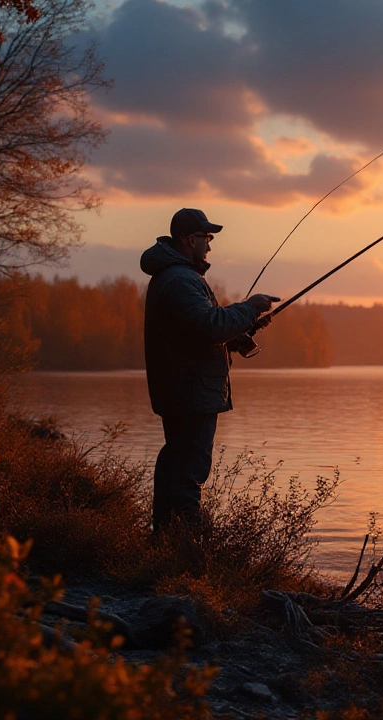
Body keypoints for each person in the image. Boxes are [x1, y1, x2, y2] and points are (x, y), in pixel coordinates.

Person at [141, 208, 278, 532]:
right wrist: (250, 307)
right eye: (207, 238)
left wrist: (237, 335)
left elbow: (194, 335)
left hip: (183, 387)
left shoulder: (177, 277)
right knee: (189, 471)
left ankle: (165, 541)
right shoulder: (180, 280)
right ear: (191, 239)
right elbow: (209, 326)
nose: (209, 246)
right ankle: (185, 551)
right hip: (190, 392)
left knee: (176, 463)